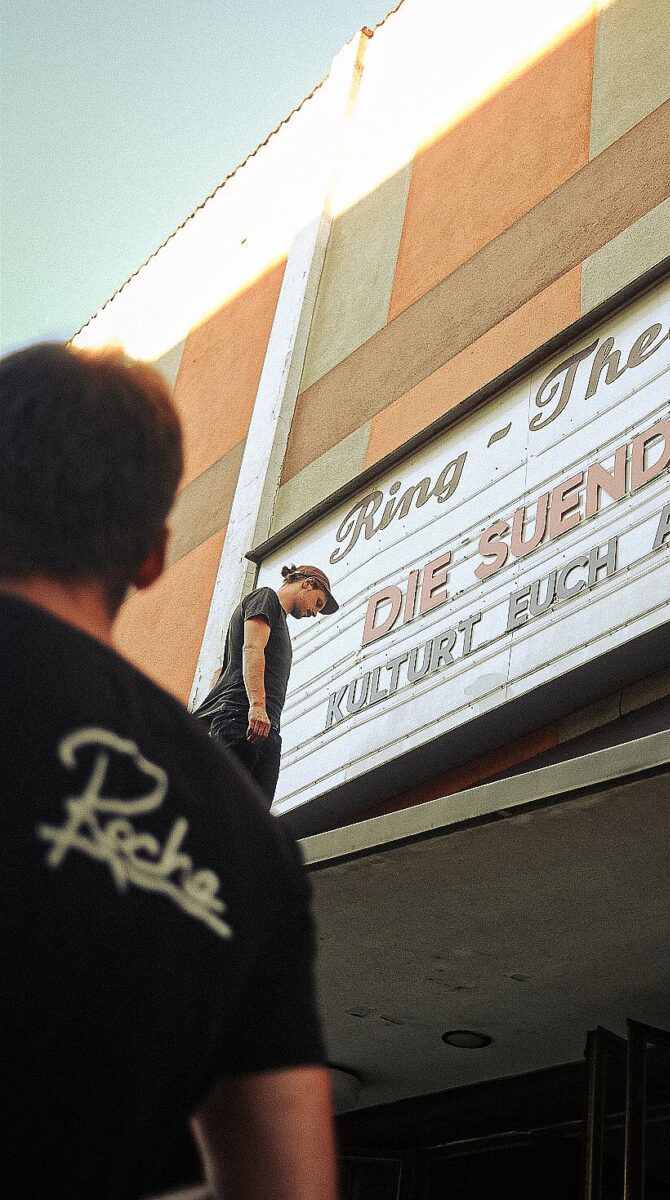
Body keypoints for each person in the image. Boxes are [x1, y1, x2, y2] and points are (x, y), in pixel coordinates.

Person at [0, 343, 338, 1200]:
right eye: (316, 599)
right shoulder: (254, 850)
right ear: (152, 556)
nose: (313, 611)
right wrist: (256, 713)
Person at [194, 563, 338, 806]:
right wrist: (256, 706)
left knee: (255, 819)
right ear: (307, 584)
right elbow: (252, 648)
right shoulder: (265, 597)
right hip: (244, 719)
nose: (314, 612)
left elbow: (220, 671)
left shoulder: (280, 623)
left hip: (266, 729)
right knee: (226, 809)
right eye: (318, 603)